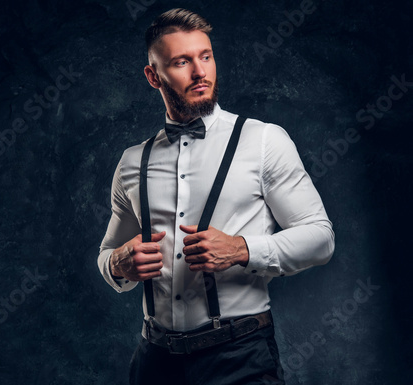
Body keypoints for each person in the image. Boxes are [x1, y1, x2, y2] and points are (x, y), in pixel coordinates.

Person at [97, 8, 334, 385]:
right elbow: (107, 254)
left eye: (205, 56)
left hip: (239, 356)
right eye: (181, 61)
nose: (200, 72)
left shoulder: (263, 140)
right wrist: (116, 265)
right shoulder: (131, 162)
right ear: (153, 75)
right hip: (154, 362)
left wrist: (242, 249)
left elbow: (321, 239)